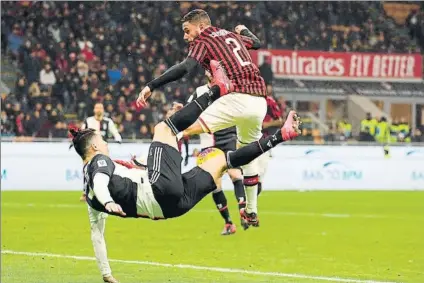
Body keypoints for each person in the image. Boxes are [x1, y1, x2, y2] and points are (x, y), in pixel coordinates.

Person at [72, 68, 301, 282]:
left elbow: (97, 236)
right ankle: (218, 88)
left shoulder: (92, 198)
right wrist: (109, 201)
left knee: (222, 160)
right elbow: (101, 181)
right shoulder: (97, 162)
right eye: (101, 141)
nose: (105, 144)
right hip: (159, 189)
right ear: (93, 148)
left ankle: (281, 135)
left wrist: (106, 274)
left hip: (173, 208)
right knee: (163, 128)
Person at [137, 9, 267, 227]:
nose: (186, 37)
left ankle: (144, 163)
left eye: (187, 31)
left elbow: (185, 68)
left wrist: (152, 85)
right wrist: (243, 29)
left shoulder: (204, 39)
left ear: (200, 26)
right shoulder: (230, 35)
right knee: (249, 156)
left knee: (176, 127)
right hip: (259, 101)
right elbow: (256, 43)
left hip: (236, 96)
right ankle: (251, 210)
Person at [188, 83, 246, 235]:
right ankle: (229, 223)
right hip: (208, 142)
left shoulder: (230, 88)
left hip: (228, 136)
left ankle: (243, 211)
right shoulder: (199, 91)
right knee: (215, 185)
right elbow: (188, 112)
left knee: (235, 174)